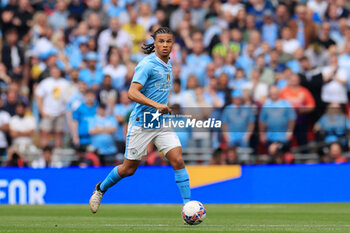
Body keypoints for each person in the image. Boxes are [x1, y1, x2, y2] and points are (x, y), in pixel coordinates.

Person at [89, 27, 190, 214]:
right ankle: (100, 188)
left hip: (160, 122)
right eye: (161, 41)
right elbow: (131, 93)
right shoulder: (147, 64)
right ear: (155, 43)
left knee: (177, 159)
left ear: (173, 43)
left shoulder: (169, 63)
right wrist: (156, 104)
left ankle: (188, 205)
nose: (165, 45)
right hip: (142, 122)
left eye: (168, 41)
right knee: (128, 169)